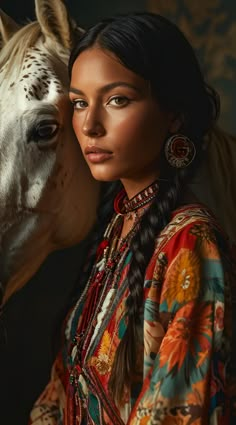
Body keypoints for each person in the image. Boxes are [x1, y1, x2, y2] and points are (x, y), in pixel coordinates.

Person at [29, 12, 236, 425]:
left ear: (173, 113)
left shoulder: (191, 243)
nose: (90, 125)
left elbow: (179, 412)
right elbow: (59, 394)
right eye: (80, 103)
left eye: (117, 99)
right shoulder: (115, 231)